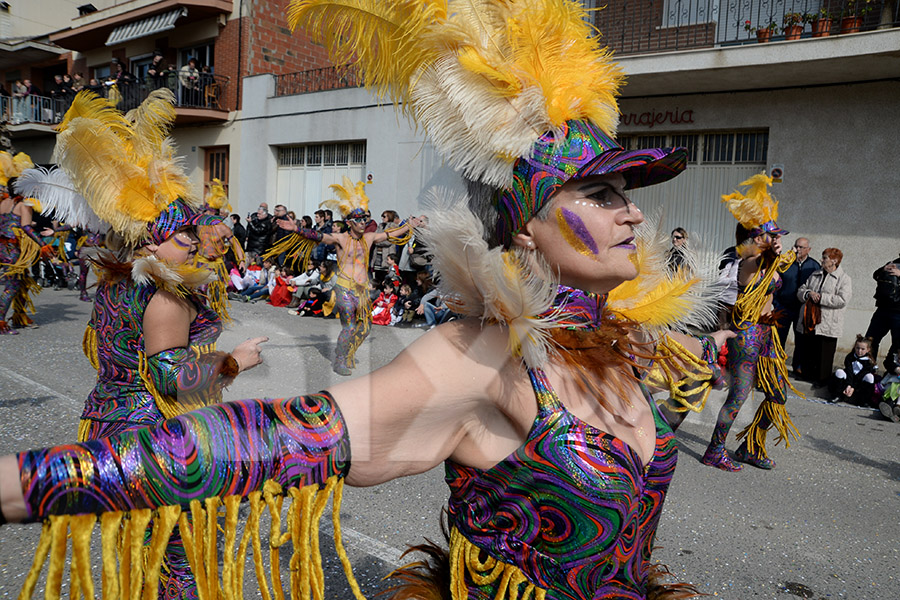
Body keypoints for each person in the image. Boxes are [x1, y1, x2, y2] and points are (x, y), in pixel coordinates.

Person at [0, 4, 731, 600]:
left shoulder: (625, 345)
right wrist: (29, 482)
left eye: (628, 198)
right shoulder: (485, 356)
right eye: (600, 196)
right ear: (529, 234)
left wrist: (673, 379)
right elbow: (281, 440)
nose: (631, 214)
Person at [271, 177, 419, 375]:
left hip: (362, 290)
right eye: (359, 220)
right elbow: (319, 236)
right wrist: (297, 228)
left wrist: (410, 225)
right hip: (344, 289)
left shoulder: (369, 237)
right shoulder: (340, 238)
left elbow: (393, 233)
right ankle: (339, 359)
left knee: (365, 329)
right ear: (350, 222)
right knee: (349, 327)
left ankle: (346, 351)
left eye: (365, 219)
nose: (363, 223)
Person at [702, 174, 800, 472]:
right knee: (739, 396)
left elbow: (775, 265)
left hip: (767, 334)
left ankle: (750, 447)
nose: (779, 240)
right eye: (774, 236)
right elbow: (756, 265)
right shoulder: (748, 263)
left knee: (778, 394)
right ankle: (714, 450)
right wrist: (768, 253)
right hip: (746, 335)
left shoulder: (769, 260)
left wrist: (776, 253)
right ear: (758, 239)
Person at [795, 248, 852, 385]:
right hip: (810, 320)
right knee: (809, 349)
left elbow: (843, 299)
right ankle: (807, 375)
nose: (822, 260)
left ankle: (822, 380)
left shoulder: (844, 279)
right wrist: (809, 293)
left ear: (834, 261)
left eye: (825, 258)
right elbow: (801, 290)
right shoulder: (815, 274)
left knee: (825, 352)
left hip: (829, 322)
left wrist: (821, 298)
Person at [0, 152, 42, 333]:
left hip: (3, 247)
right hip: (14, 251)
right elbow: (26, 226)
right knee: (12, 285)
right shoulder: (24, 204)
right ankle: (1, 322)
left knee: (23, 282)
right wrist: (43, 244)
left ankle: (19, 317)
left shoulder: (3, 203)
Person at [773, 237, 819, 366]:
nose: (797, 249)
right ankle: (776, 364)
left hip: (802, 309)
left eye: (801, 247)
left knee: (801, 339)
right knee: (779, 337)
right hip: (783, 307)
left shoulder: (814, 266)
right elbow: (775, 282)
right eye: (796, 246)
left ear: (808, 249)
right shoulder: (786, 263)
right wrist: (776, 302)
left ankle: (798, 366)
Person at [864, 252, 900, 363]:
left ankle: (893, 372)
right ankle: (868, 369)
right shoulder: (895, 262)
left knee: (897, 344)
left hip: (898, 313)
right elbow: (875, 275)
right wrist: (884, 269)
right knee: (871, 340)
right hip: (883, 309)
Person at [830, 335, 878, 406]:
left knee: (870, 377)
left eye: (862, 349)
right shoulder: (850, 357)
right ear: (854, 347)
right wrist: (848, 385)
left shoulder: (869, 361)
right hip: (849, 378)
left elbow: (861, 375)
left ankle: (864, 400)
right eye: (857, 348)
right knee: (839, 372)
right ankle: (837, 395)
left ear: (868, 350)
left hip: (859, 382)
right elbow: (849, 371)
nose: (859, 351)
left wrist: (853, 387)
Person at [878, 344, 900, 422]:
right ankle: (889, 410)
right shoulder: (894, 359)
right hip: (892, 384)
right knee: (891, 393)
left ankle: (897, 410)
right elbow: (887, 362)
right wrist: (896, 368)